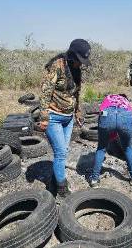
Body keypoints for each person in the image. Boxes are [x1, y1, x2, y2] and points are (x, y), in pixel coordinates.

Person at [39, 39, 91, 197]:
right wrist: (43, 117)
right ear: (71, 55)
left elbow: (77, 92)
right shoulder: (57, 66)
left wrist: (78, 111)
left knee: (63, 152)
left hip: (68, 119)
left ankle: (54, 181)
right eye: (78, 60)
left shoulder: (77, 69)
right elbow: (46, 92)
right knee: (61, 153)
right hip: (54, 117)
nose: (80, 64)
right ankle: (62, 189)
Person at [89, 94, 132, 188]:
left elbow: (101, 114)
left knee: (101, 148)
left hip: (106, 113)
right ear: (124, 97)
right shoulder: (126, 102)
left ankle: (94, 180)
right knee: (127, 147)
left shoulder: (107, 98)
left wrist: (110, 135)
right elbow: (128, 119)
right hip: (125, 114)